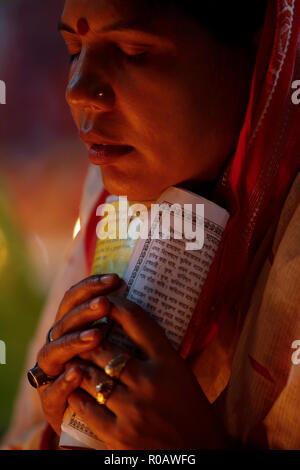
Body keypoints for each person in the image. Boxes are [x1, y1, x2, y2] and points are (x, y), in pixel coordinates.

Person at [2, 0, 300, 449]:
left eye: (133, 51)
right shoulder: (108, 203)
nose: (78, 90)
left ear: (262, 49)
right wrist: (67, 423)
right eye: (73, 50)